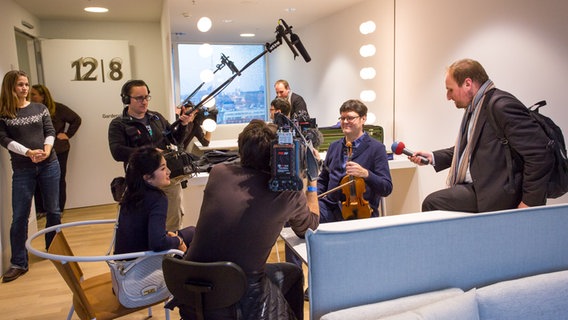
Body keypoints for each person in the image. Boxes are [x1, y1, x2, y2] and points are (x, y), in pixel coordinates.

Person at [177, 120, 320, 320]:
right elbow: (309, 228)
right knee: (294, 273)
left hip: (189, 288)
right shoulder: (287, 193)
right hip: (238, 296)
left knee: (289, 272)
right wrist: (312, 182)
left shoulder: (218, 173)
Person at [409, 58, 553, 213]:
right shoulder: (477, 108)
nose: (448, 96)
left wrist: (529, 204)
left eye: (450, 89)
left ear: (468, 84)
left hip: (499, 193)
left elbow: (540, 155)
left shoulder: (501, 106)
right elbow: (470, 151)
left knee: (432, 203)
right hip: (482, 186)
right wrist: (432, 157)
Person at [0, 70, 61, 282]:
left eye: (26, 84)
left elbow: (50, 130)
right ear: (10, 87)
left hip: (49, 163)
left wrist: (45, 149)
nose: (25, 88)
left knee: (54, 210)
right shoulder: (4, 113)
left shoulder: (40, 108)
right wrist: (28, 152)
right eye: (20, 85)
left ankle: (53, 249)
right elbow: (4, 139)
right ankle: (19, 262)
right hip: (23, 168)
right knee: (19, 217)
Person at [108, 79, 191, 232]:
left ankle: (172, 251)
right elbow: (117, 151)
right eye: (139, 98)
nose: (144, 101)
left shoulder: (156, 118)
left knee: (173, 221)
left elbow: (174, 139)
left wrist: (183, 126)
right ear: (127, 99)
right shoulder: (119, 124)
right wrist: (148, 152)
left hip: (168, 179)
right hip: (141, 182)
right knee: (147, 223)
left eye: (146, 97)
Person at [317, 99, 393, 222]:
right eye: (342, 118)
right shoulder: (334, 146)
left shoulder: (376, 148)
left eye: (350, 118)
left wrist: (366, 174)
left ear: (363, 119)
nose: (345, 122)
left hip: (360, 212)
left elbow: (386, 188)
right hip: (330, 207)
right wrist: (313, 197)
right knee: (299, 215)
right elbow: (323, 179)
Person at [113, 147, 193, 255]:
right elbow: (157, 243)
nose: (169, 172)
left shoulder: (130, 193)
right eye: (163, 168)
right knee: (194, 234)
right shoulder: (157, 199)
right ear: (148, 177)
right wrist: (178, 240)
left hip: (122, 264)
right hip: (143, 263)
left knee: (192, 231)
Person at [30, 84, 82, 217]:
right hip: (38, 151)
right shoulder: (30, 109)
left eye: (33, 94)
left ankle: (58, 209)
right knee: (37, 179)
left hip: (59, 150)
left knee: (58, 179)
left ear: (42, 96)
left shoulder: (57, 108)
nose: (31, 97)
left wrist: (67, 134)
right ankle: (41, 209)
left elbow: (76, 119)